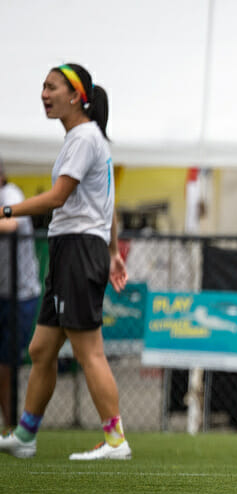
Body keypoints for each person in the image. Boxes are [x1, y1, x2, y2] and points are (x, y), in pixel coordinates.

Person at [0, 63, 130, 460]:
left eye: (51, 87)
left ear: (76, 96)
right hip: (72, 248)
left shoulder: (84, 137)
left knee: (89, 349)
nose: (44, 93)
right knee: (41, 348)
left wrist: (6, 212)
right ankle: (25, 436)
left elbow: (57, 198)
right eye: (43, 86)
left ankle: (115, 440)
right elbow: (105, 207)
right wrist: (111, 254)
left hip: (76, 249)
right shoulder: (86, 138)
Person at [0, 157, 41, 429]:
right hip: (3, 295)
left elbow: (10, 224)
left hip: (21, 296)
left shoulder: (10, 194)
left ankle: (14, 427)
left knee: (7, 366)